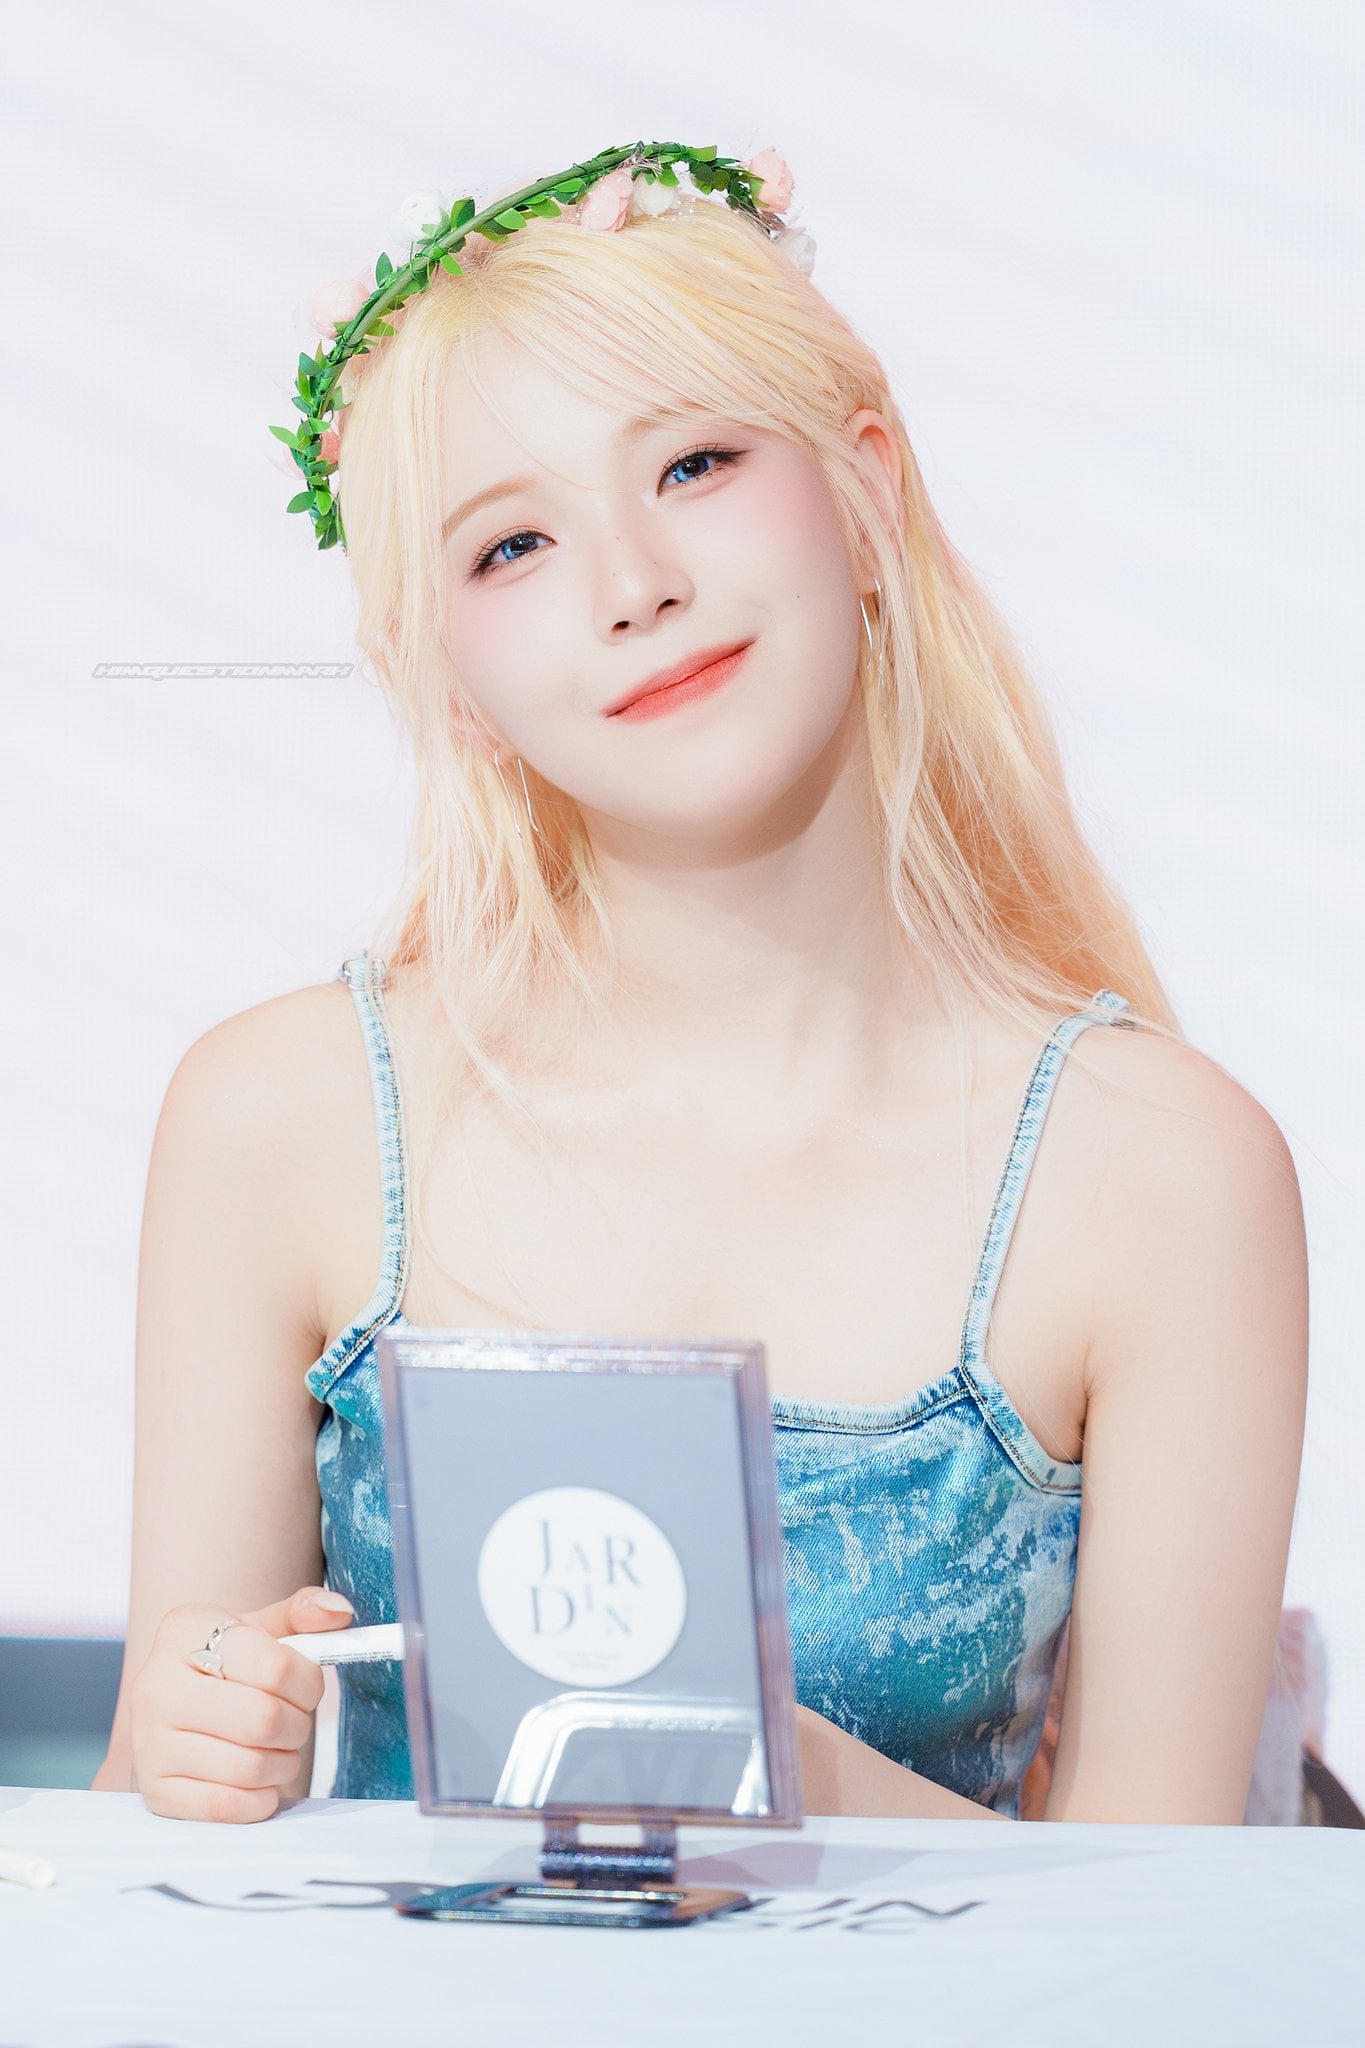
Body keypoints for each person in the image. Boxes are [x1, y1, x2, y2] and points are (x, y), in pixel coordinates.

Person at [92, 140, 1308, 1826]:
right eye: (511, 546)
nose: (634, 586)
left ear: (867, 492)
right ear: (444, 679)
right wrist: (187, 1742)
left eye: (693, 463)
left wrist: (769, 1775)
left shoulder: (1159, 1174)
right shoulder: (281, 1123)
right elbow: (146, 1838)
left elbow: (1170, 1926)